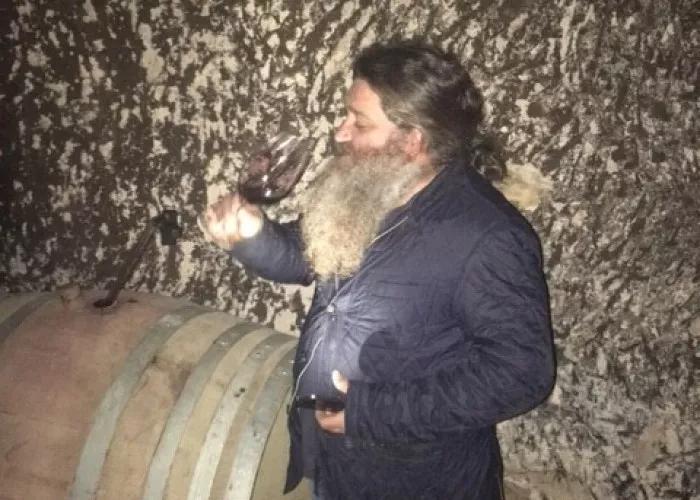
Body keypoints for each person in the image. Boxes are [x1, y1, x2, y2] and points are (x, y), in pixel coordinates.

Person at [202, 41, 555, 500]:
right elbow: (308, 257)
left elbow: (522, 373)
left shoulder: (488, 236)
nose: (340, 132)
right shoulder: (370, 187)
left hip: (417, 481)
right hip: (338, 464)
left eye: (359, 122)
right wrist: (253, 236)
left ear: (412, 140)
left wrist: (372, 411)